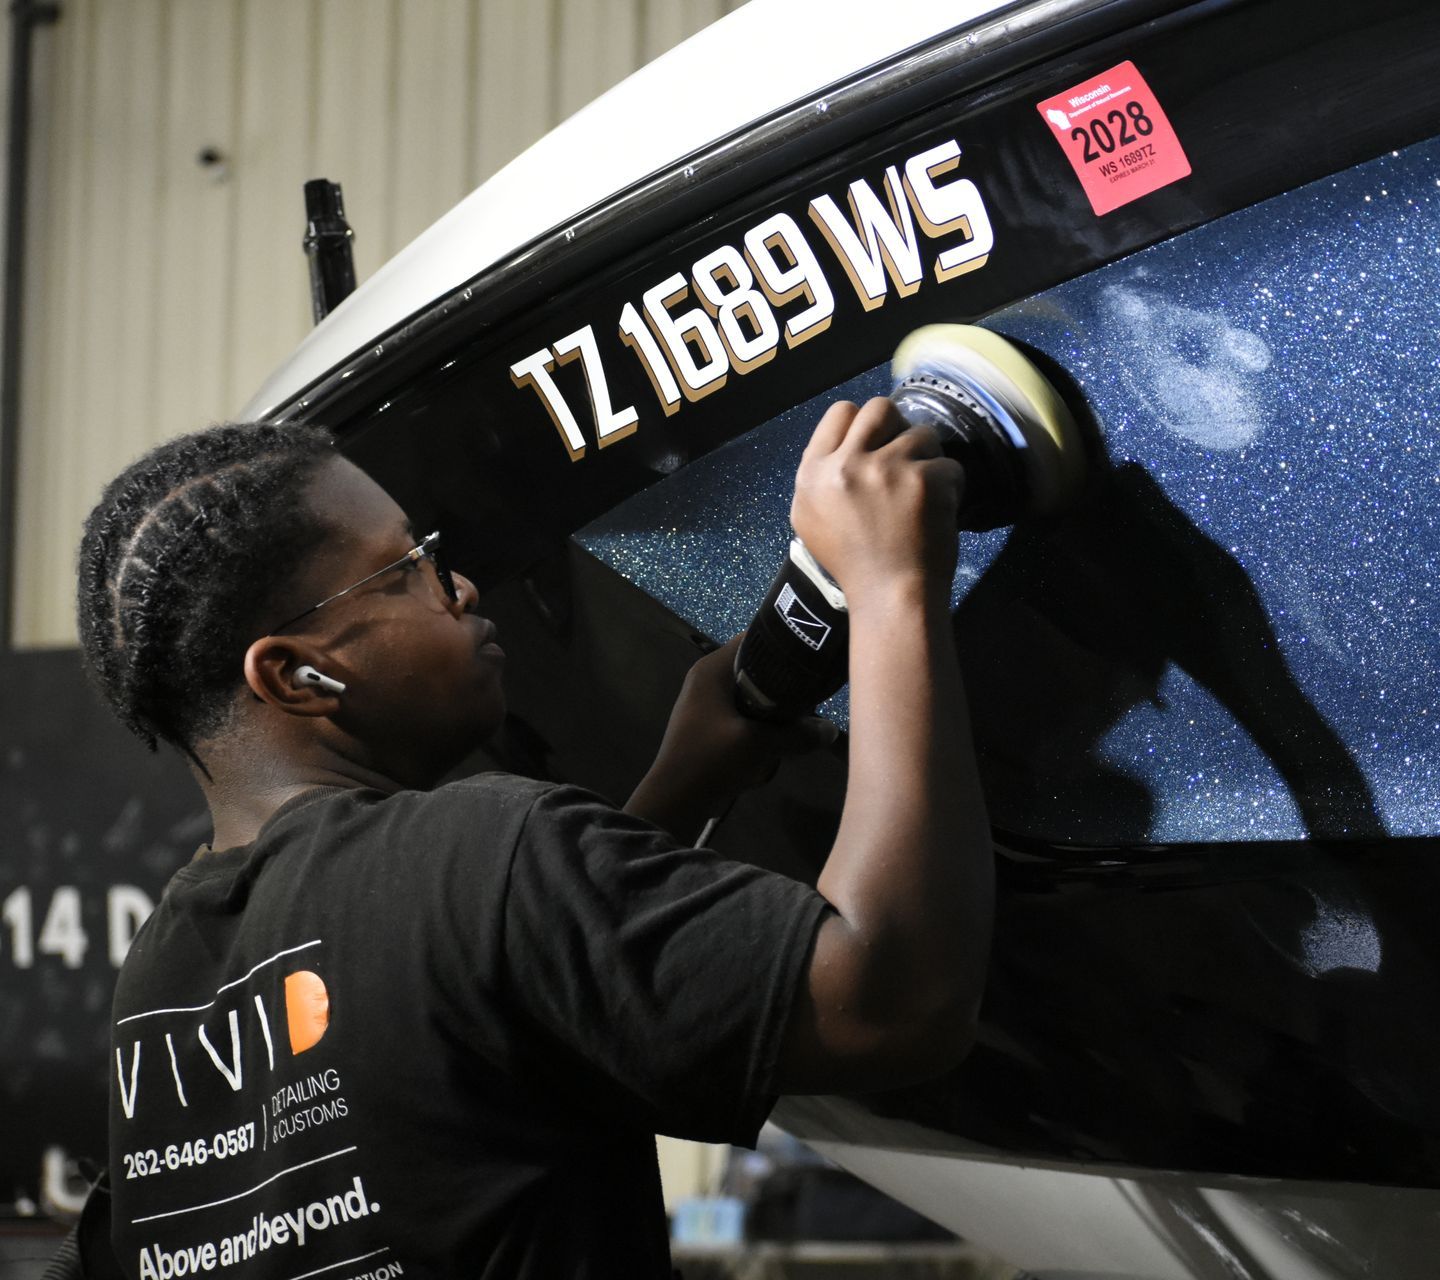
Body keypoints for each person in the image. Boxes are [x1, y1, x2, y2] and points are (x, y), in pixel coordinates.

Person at [73, 399, 990, 1278]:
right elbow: (892, 1000)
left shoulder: (158, 991)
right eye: (408, 569)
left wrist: (684, 780)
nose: (460, 586)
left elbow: (483, 992)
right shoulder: (479, 847)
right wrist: (890, 586)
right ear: (299, 676)